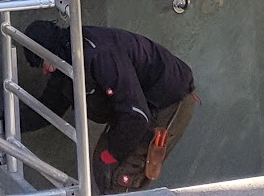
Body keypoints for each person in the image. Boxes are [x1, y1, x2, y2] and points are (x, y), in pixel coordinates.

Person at [17, 19, 199, 193]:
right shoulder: (66, 63)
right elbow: (48, 109)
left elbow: (137, 116)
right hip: (134, 106)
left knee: (119, 176)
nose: (44, 71)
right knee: (101, 167)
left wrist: (111, 155)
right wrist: (8, 121)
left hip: (165, 101)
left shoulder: (99, 56)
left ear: (50, 53)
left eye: (42, 63)